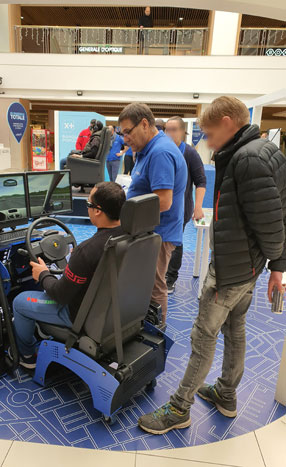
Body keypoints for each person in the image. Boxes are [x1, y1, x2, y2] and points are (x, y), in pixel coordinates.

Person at [138, 96, 286, 435]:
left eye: (208, 132)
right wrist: (275, 265)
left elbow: (272, 224)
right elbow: (281, 211)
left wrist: (278, 262)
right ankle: (226, 394)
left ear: (227, 123)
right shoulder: (266, 152)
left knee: (203, 336)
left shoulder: (247, 160)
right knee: (235, 330)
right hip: (250, 266)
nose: (205, 141)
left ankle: (179, 408)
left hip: (232, 270)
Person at [11, 182, 125, 369]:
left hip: (78, 315)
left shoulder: (87, 251)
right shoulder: (131, 237)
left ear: (98, 211)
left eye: (89, 205)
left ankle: (28, 356)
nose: (88, 209)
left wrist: (43, 274)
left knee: (20, 302)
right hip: (115, 310)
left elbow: (60, 295)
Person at [118, 103, 187, 323]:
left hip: (158, 234)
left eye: (128, 132)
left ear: (145, 124)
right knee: (145, 283)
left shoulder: (160, 152)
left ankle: (157, 333)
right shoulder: (146, 149)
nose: (125, 138)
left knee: (154, 286)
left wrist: (127, 217)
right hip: (148, 231)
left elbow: (163, 202)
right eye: (122, 133)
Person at [165, 116, 207, 293]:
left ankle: (170, 278)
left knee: (175, 243)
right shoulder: (162, 150)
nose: (169, 133)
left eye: (174, 129)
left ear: (183, 131)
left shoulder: (189, 152)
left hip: (181, 207)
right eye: (167, 129)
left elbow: (201, 181)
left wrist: (198, 206)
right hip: (162, 206)